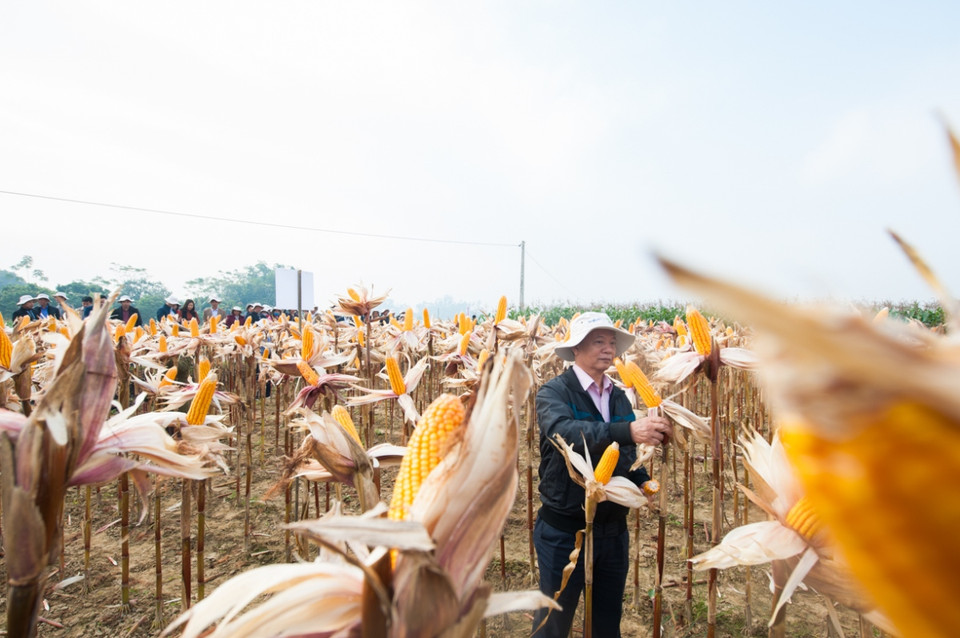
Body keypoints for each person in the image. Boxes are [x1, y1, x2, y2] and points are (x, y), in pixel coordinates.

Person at [532, 312, 673, 638]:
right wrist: (628, 429)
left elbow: (623, 455)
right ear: (576, 349)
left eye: (612, 343)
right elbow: (563, 433)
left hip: (612, 532)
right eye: (599, 342)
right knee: (552, 626)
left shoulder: (619, 396)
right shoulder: (553, 393)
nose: (608, 349)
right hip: (565, 532)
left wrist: (643, 482)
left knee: (606, 625)